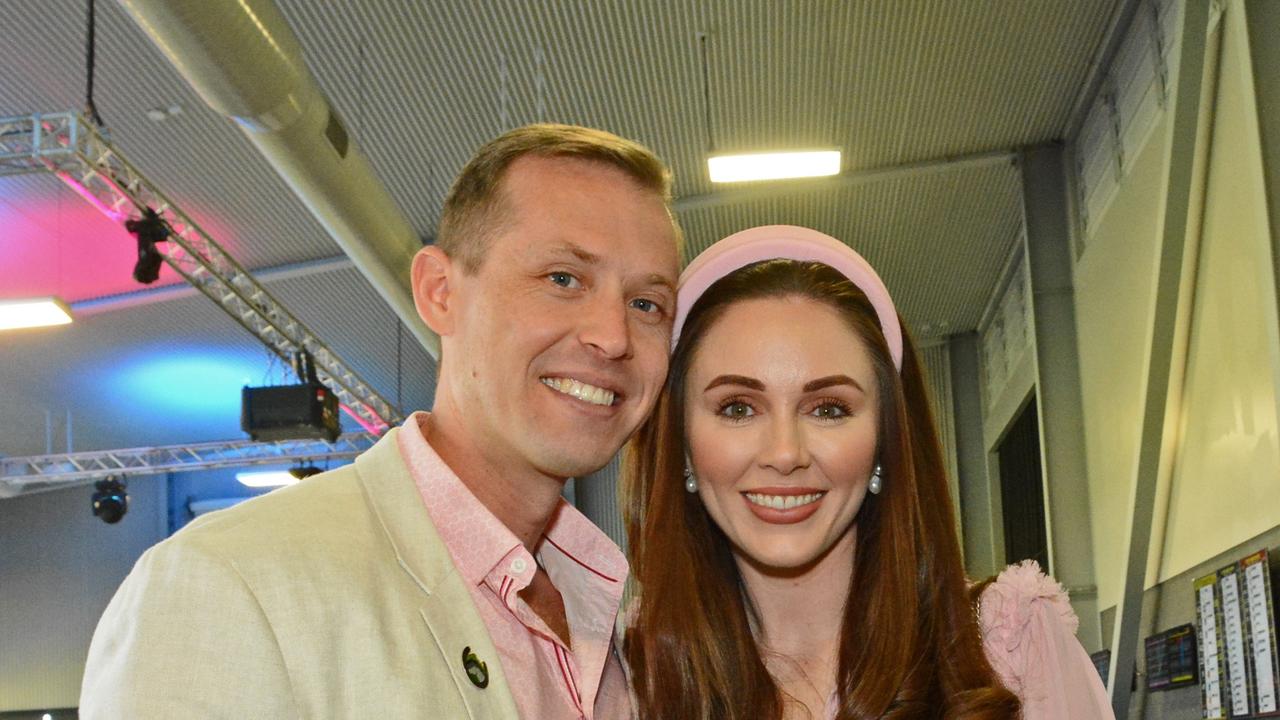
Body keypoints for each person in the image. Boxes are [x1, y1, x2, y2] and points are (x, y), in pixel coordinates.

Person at [80, 124, 682, 718]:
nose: (612, 336)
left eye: (646, 303)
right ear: (440, 292)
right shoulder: (229, 586)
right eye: (562, 279)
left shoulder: (617, 633)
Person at [622, 225, 1114, 719]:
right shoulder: (623, 675)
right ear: (681, 444)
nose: (785, 452)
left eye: (829, 409)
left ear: (886, 438)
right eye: (737, 408)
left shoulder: (1008, 649)